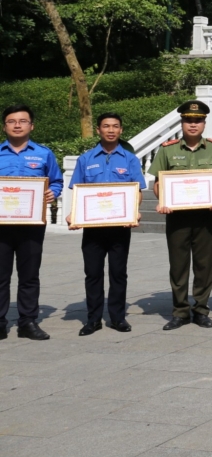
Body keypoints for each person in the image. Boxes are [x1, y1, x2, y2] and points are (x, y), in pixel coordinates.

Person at [149, 100, 212, 330]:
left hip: (205, 216)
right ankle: (180, 311)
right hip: (177, 217)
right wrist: (162, 201)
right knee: (178, 265)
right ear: (182, 123)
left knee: (204, 265)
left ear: (204, 124)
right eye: (188, 120)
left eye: (197, 121)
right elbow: (158, 183)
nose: (193, 125)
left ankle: (201, 310)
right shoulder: (167, 150)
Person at [67, 112, 144, 335]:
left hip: (120, 227)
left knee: (118, 272)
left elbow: (137, 190)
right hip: (93, 228)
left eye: (115, 126)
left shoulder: (130, 159)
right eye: (106, 126)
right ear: (99, 130)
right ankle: (93, 319)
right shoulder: (86, 159)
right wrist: (74, 215)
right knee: (93, 273)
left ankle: (118, 318)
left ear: (121, 130)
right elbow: (78, 192)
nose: (111, 130)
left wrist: (134, 211)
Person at [0, 104, 62, 340]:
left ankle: (27, 321)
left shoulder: (44, 154)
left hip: (32, 224)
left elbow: (55, 181)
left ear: (31, 126)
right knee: (0, 275)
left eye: (23, 121)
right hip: (1, 226)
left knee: (29, 274)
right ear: (4, 126)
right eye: (12, 121)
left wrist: (52, 193)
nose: (17, 125)